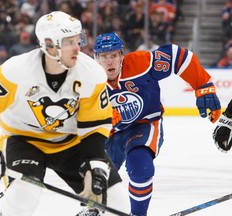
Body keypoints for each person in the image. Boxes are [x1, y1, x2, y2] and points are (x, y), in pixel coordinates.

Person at [0, 12, 129, 216]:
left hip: (70, 143)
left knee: (117, 201)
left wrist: (96, 162)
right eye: (69, 42)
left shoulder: (91, 74)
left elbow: (95, 126)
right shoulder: (17, 70)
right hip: (24, 141)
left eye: (78, 39)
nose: (78, 47)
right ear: (49, 45)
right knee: (24, 196)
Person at [93, 32, 221, 216]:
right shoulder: (89, 80)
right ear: (96, 58)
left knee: (140, 166)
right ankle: (93, 208)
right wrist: (102, 117)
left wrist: (203, 86)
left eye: (114, 55)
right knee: (96, 173)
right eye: (104, 57)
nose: (109, 61)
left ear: (122, 55)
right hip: (111, 132)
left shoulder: (141, 64)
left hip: (144, 124)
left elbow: (178, 56)